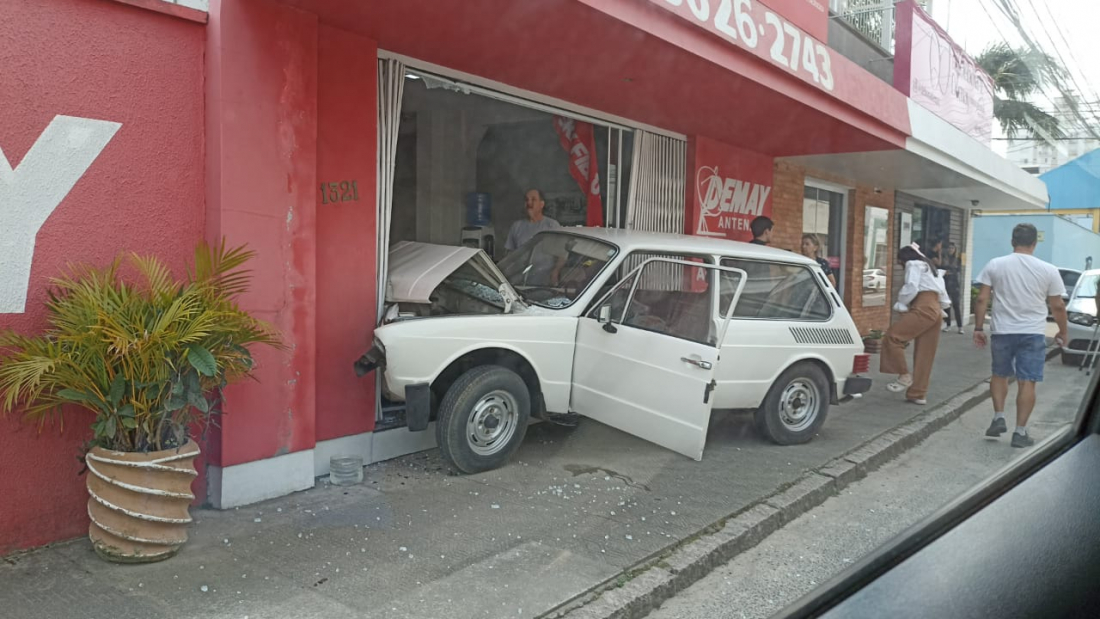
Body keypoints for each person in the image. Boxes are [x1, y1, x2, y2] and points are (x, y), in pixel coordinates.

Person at [973, 223, 1068, 448]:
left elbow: (981, 299)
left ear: (1012, 241)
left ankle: (998, 417)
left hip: (1002, 331)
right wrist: (1062, 331)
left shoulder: (995, 265)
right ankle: (1020, 432)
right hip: (1032, 332)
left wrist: (978, 327)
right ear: (1035, 243)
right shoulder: (1048, 270)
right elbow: (1058, 306)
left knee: (999, 374)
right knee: (1027, 382)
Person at [881, 243, 952, 405]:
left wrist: (901, 303)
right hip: (936, 308)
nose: (901, 265)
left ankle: (904, 375)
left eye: (900, 262)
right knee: (925, 353)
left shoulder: (913, 264)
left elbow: (911, 286)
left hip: (923, 305)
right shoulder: (931, 267)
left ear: (904, 259)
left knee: (893, 336)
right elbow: (943, 295)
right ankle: (918, 394)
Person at [505, 188, 560, 253]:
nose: (529, 202)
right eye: (526, 200)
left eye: (533, 199)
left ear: (541, 204)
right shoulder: (516, 226)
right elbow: (509, 253)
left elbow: (561, 255)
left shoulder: (552, 225)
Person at [941, 242, 965, 334]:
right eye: (949, 248)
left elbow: (958, 270)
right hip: (946, 284)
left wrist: (950, 270)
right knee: (946, 305)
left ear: (955, 249)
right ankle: (948, 325)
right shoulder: (943, 259)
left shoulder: (958, 259)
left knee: (956, 306)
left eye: (952, 248)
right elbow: (942, 269)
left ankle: (960, 326)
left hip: (955, 285)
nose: (951, 250)